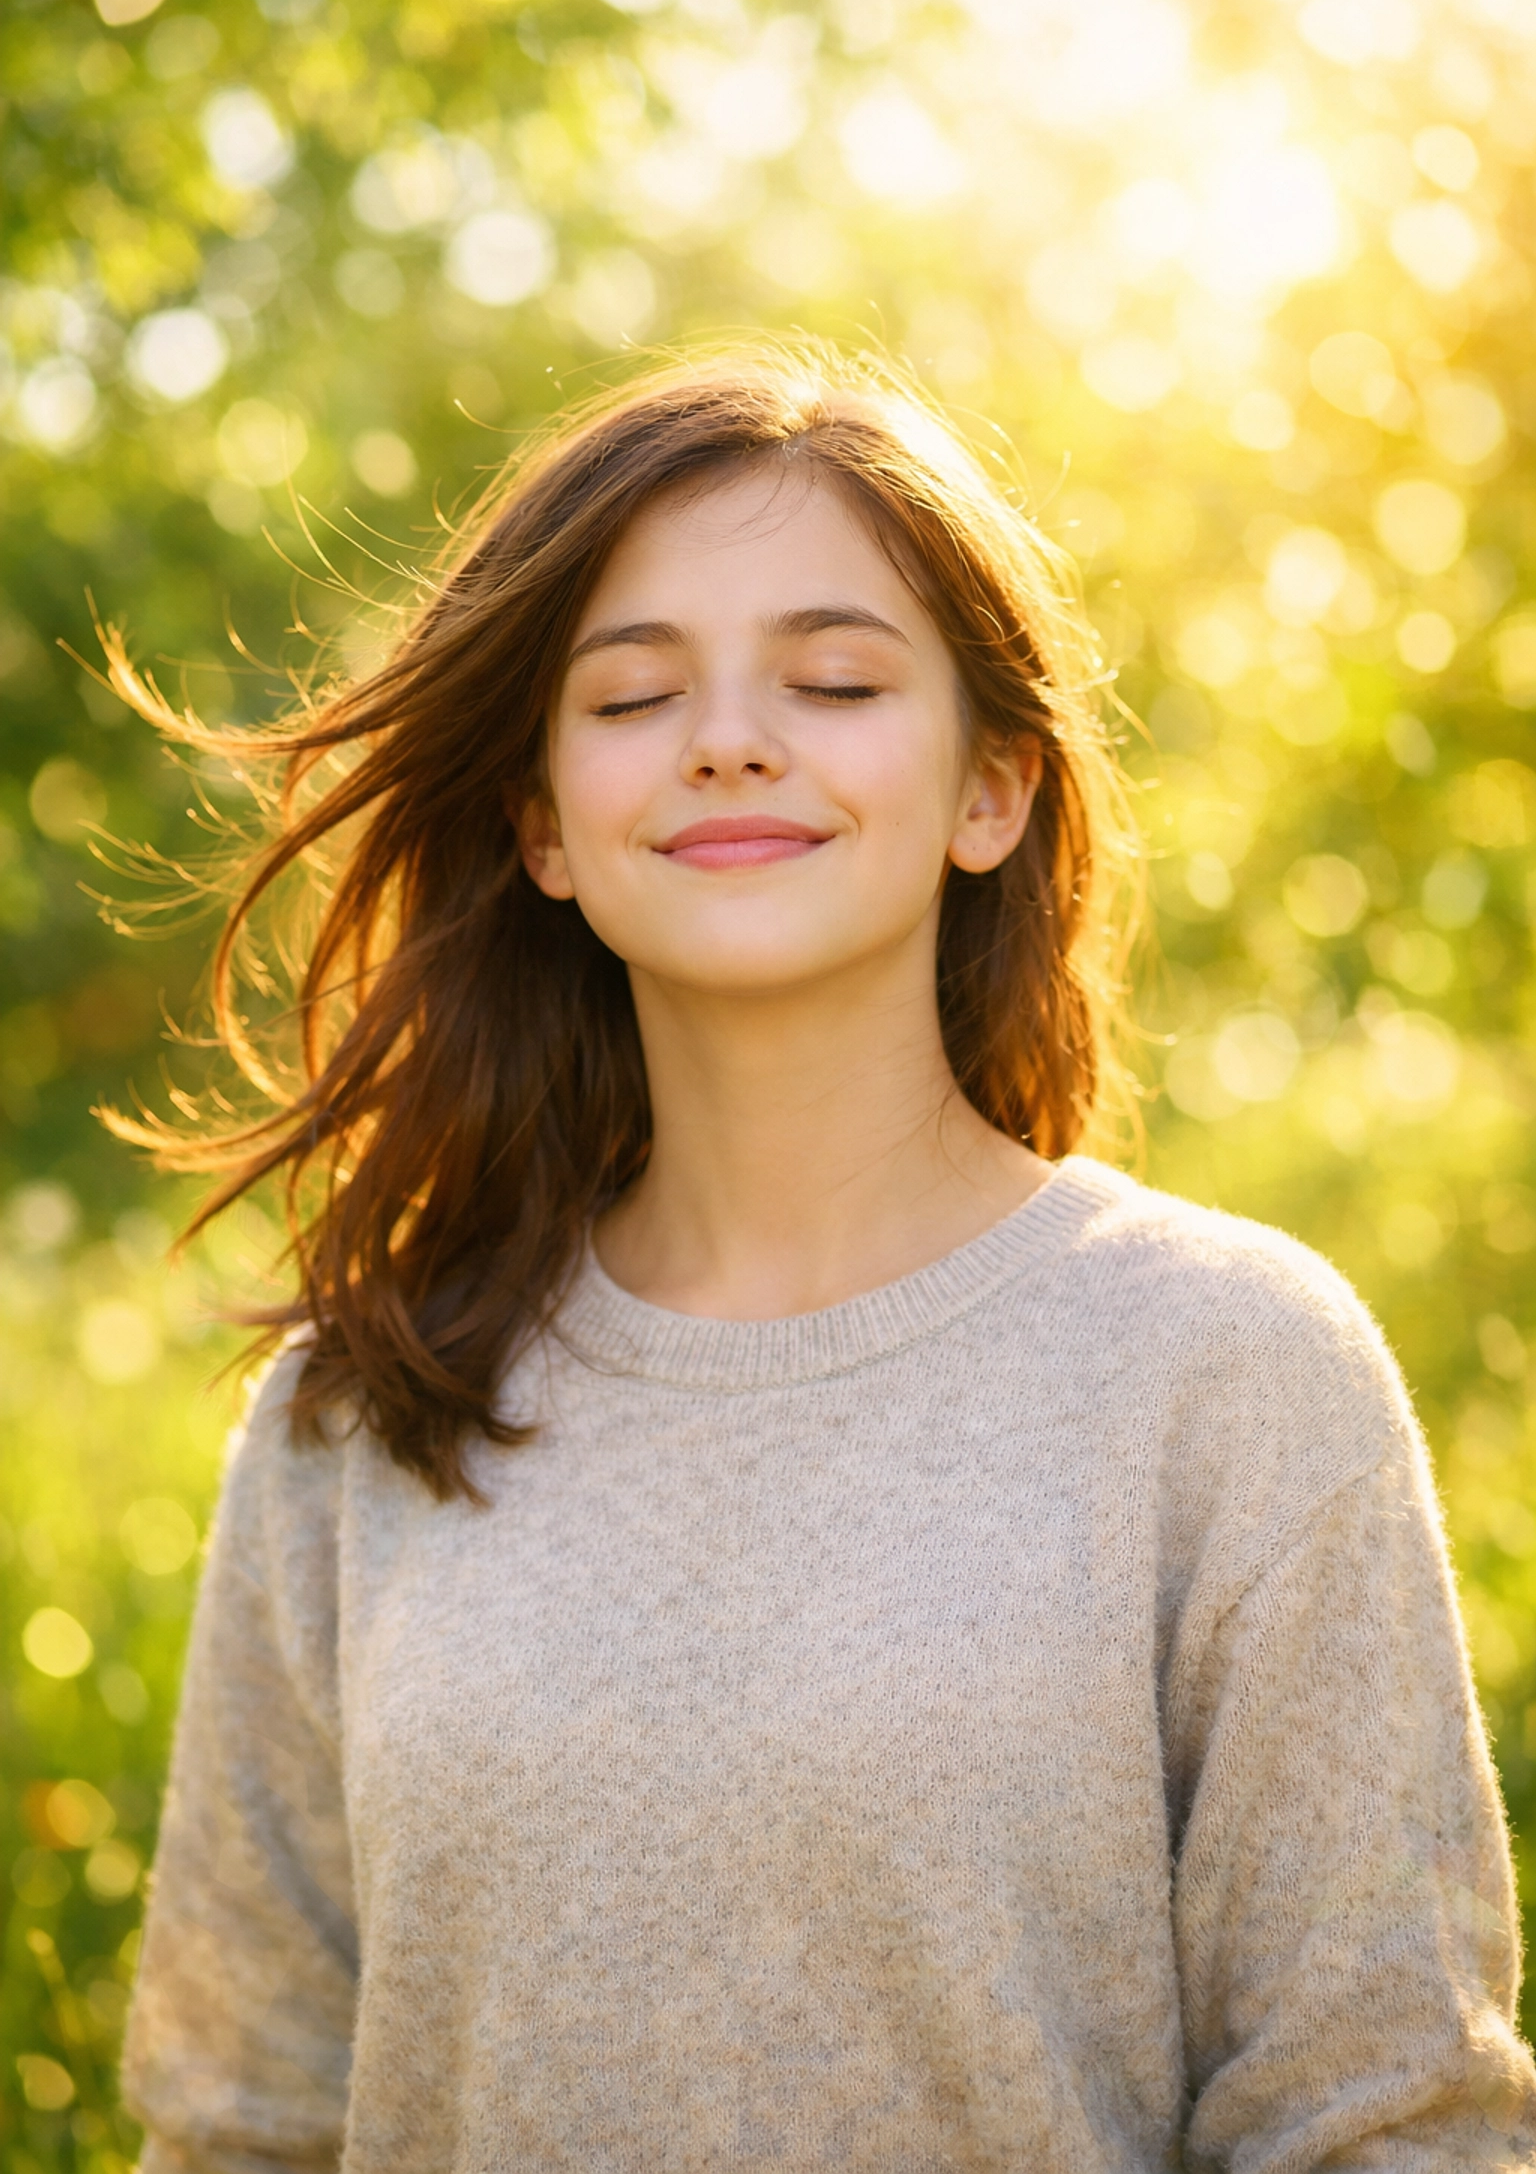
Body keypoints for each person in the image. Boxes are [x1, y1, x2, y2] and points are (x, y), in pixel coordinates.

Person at [116, 342, 1535, 2171]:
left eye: (837, 677)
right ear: (542, 825)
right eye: (632, 698)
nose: (728, 736)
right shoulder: (358, 1414)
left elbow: (1387, 2125)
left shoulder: (1232, 1370)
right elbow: (241, 2131)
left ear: (992, 791)